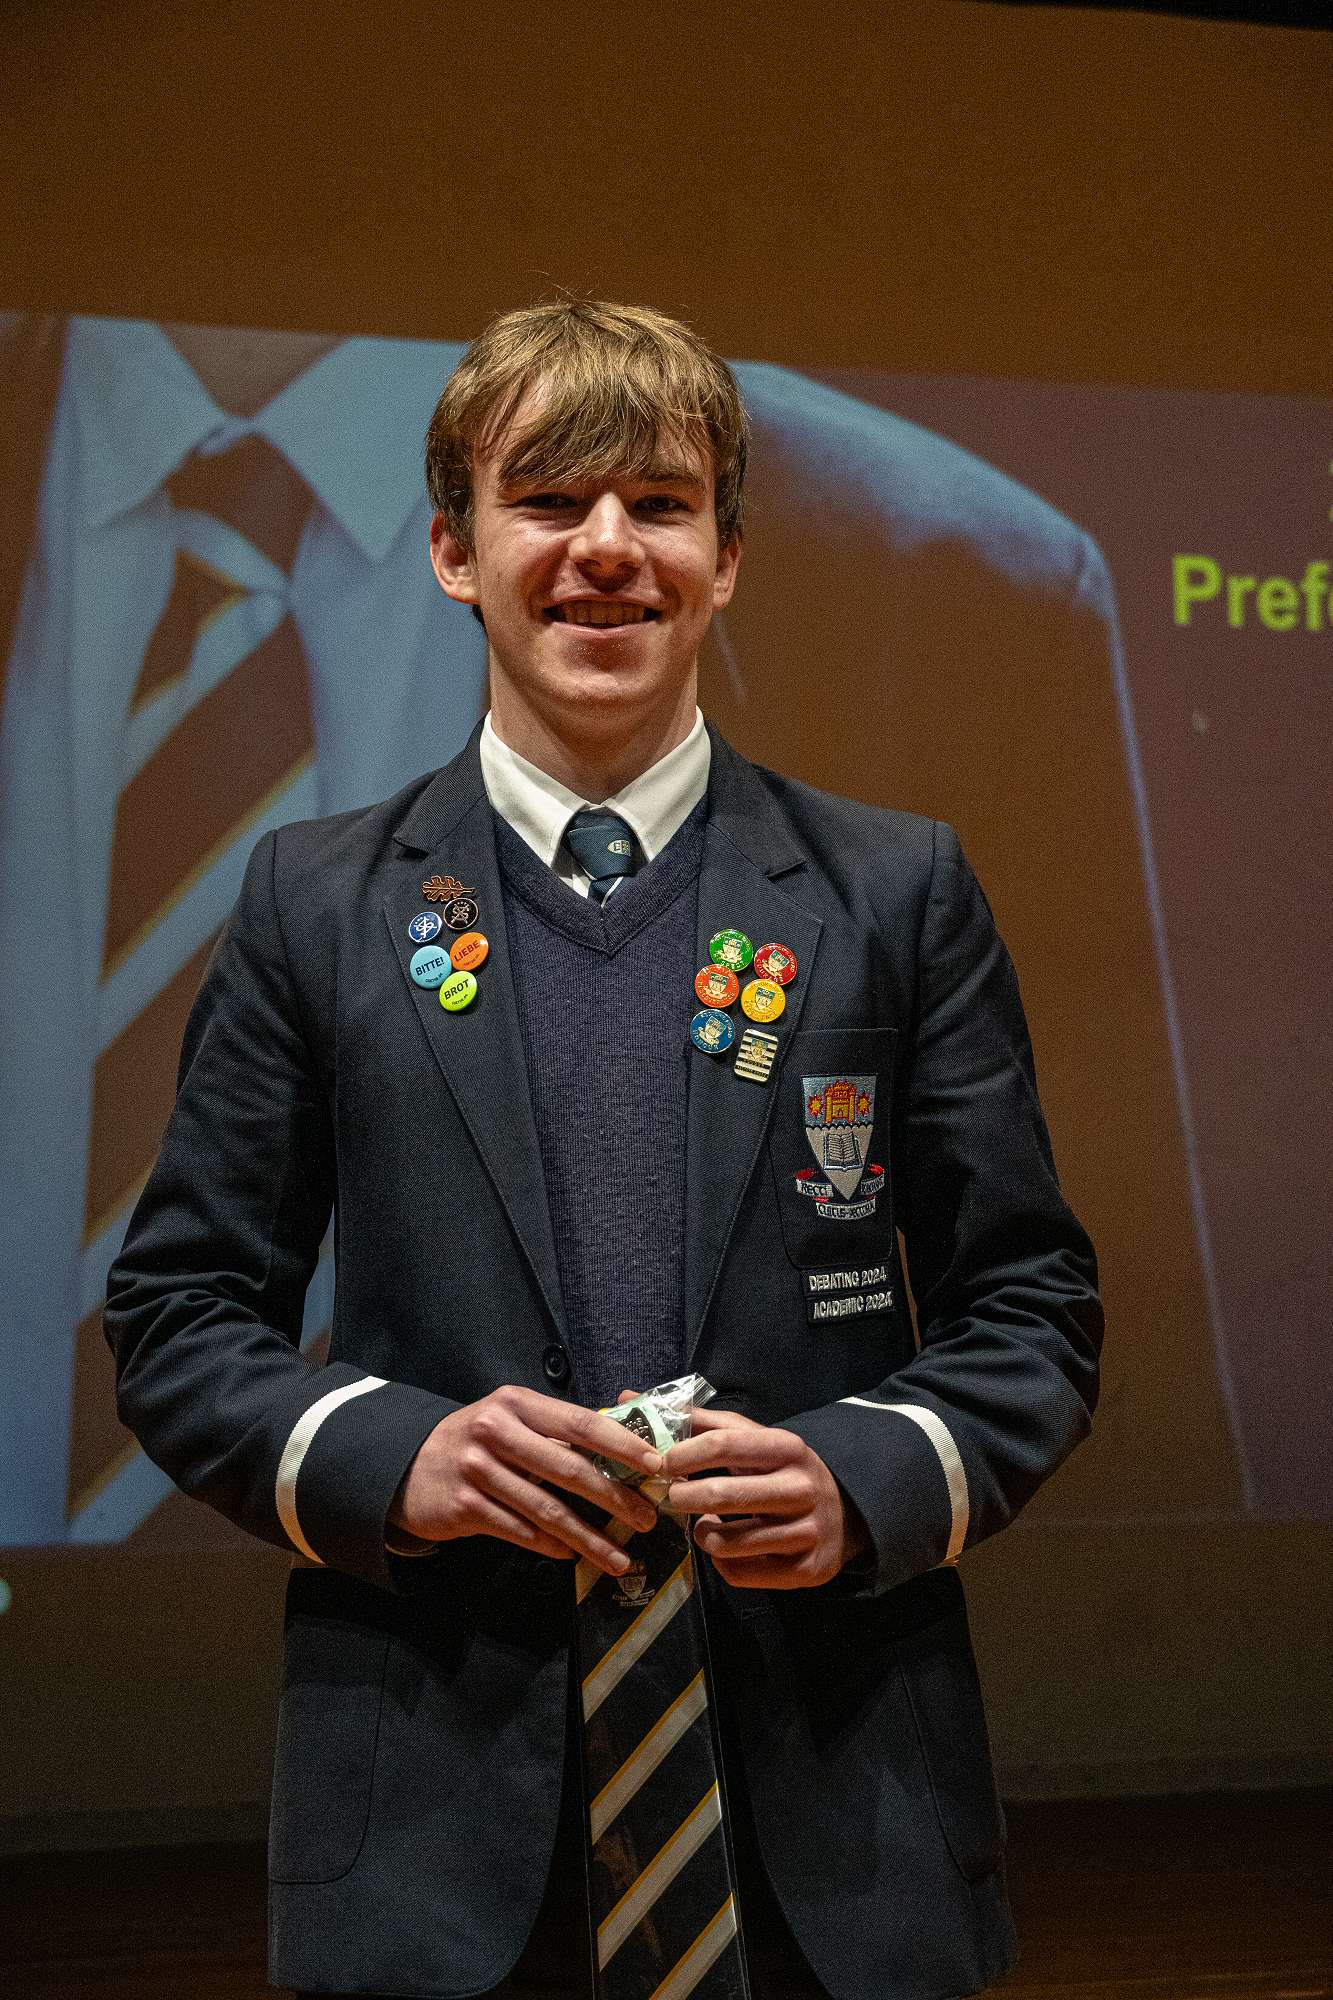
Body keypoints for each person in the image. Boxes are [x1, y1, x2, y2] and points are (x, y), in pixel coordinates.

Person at [104, 298, 1102, 2000]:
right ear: (452, 552)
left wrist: (860, 1478)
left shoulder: (894, 893)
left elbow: (1031, 1309)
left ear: (728, 559)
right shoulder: (312, 906)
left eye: (660, 504)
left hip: (837, 1808)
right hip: (429, 1823)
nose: (607, 549)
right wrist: (394, 1455)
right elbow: (178, 1314)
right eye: (549, 502)